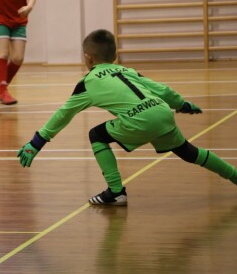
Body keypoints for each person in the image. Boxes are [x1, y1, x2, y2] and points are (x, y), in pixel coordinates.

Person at [17, 29, 237, 206]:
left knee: (97, 135)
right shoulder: (127, 70)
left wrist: (37, 142)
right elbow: (161, 89)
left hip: (138, 119)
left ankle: (115, 192)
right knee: (189, 152)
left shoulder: (88, 82)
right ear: (114, 56)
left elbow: (64, 114)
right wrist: (182, 105)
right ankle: (234, 175)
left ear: (88, 57)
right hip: (162, 112)